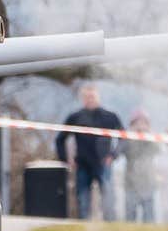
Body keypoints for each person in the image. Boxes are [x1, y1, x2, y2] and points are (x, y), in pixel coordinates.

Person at [53, 84, 123, 221]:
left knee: (108, 199)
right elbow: (60, 140)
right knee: (82, 200)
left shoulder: (110, 117)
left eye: (92, 96)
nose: (90, 99)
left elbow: (123, 138)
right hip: (83, 164)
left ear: (98, 97)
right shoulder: (75, 117)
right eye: (86, 97)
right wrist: (66, 160)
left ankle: (111, 225)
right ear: (82, 99)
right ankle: (82, 225)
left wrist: (113, 155)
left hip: (103, 163)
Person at [123, 110, 160, 224]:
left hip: (148, 181)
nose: (140, 126)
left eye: (143, 123)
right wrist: (133, 136)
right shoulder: (127, 138)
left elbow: (157, 150)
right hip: (131, 182)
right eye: (137, 123)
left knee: (149, 217)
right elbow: (124, 151)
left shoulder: (152, 137)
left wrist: (148, 135)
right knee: (130, 216)